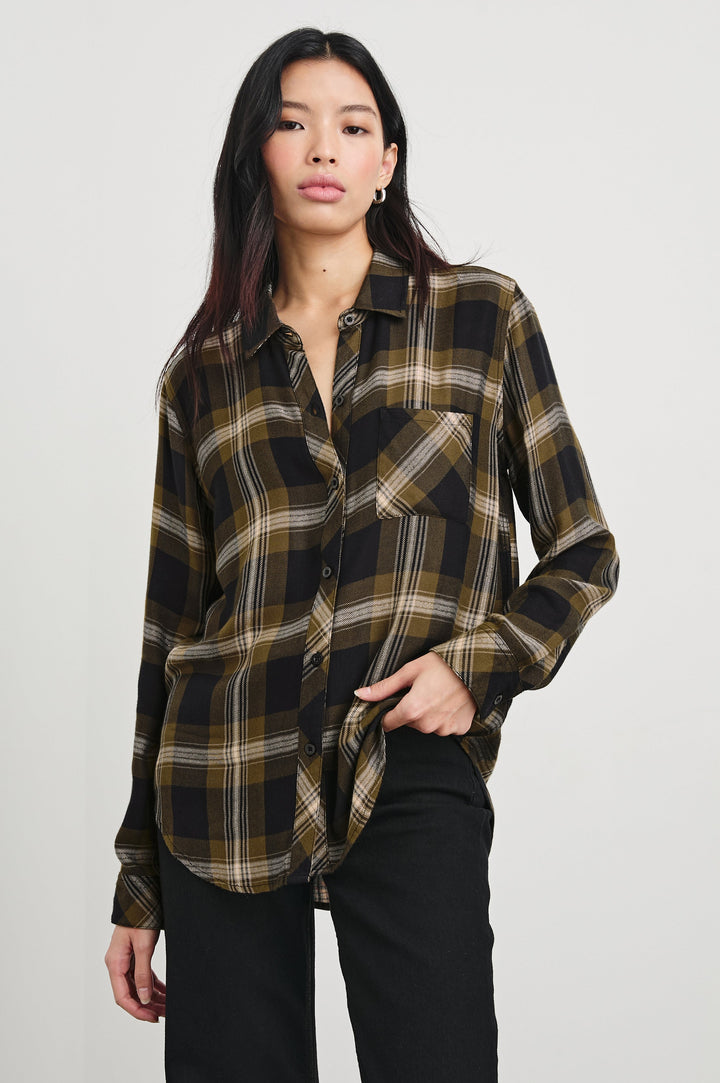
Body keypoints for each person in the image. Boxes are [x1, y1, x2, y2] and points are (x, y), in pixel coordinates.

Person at [104, 26, 619, 1083]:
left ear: (387, 161)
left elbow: (583, 548)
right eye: (292, 123)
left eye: (352, 126)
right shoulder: (203, 376)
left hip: (406, 756)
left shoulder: (482, 319)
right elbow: (171, 632)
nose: (322, 148)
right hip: (226, 776)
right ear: (257, 155)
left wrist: (477, 665)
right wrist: (138, 882)